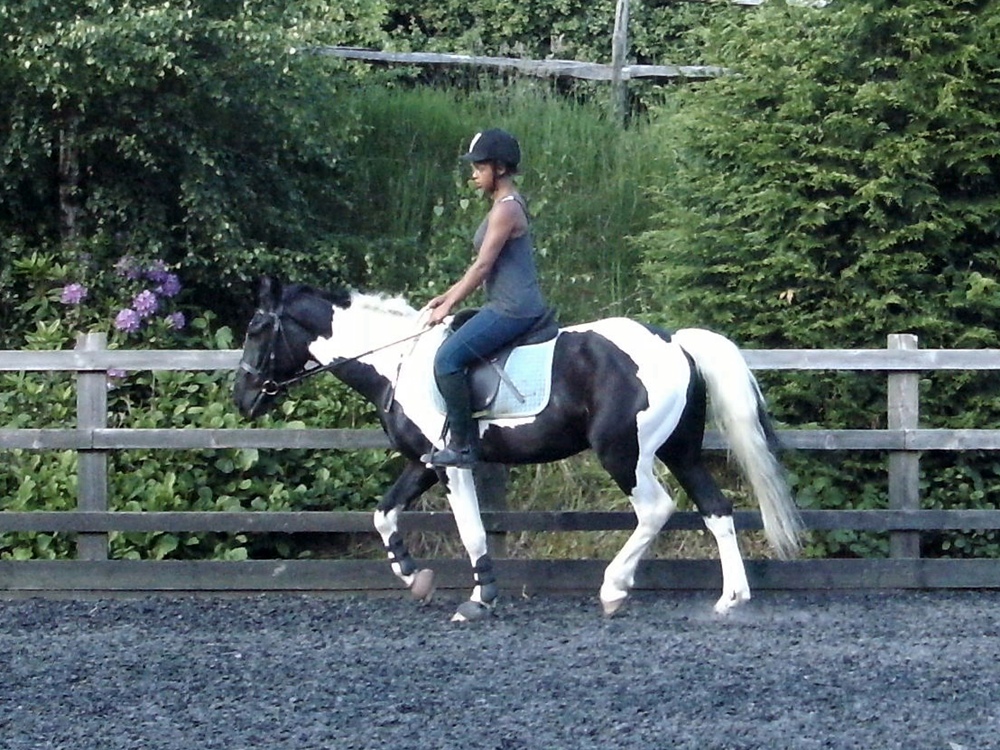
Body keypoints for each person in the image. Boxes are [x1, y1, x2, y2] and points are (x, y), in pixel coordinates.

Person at [420, 128, 548, 468]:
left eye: (480, 167)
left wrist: (450, 305)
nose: (474, 174)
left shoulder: (507, 209)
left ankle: (463, 446)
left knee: (447, 360)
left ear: (500, 168)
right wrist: (446, 296)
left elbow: (482, 266)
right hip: (505, 304)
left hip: (513, 308)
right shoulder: (503, 205)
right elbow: (479, 266)